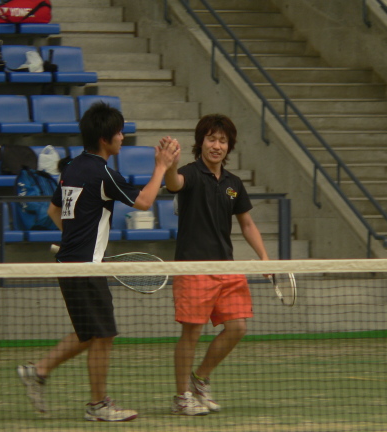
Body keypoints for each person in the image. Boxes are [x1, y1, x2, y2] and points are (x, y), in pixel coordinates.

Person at [17, 102, 179, 422]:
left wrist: (77, 242)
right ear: (105, 139)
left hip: (70, 262)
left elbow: (53, 211)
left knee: (90, 333)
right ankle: (97, 405)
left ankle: (38, 371)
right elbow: (145, 201)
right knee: (103, 335)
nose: (122, 137)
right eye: (118, 132)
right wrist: (161, 165)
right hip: (85, 267)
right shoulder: (103, 173)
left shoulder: (72, 168)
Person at [162, 114, 270, 416]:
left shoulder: (234, 184)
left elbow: (247, 224)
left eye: (222, 141)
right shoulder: (190, 173)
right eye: (211, 139)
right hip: (193, 267)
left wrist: (264, 256)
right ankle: (182, 396)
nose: (217, 145)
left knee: (237, 327)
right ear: (201, 142)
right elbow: (174, 183)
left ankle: (200, 379)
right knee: (192, 334)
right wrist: (169, 165)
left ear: (229, 146)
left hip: (226, 267)